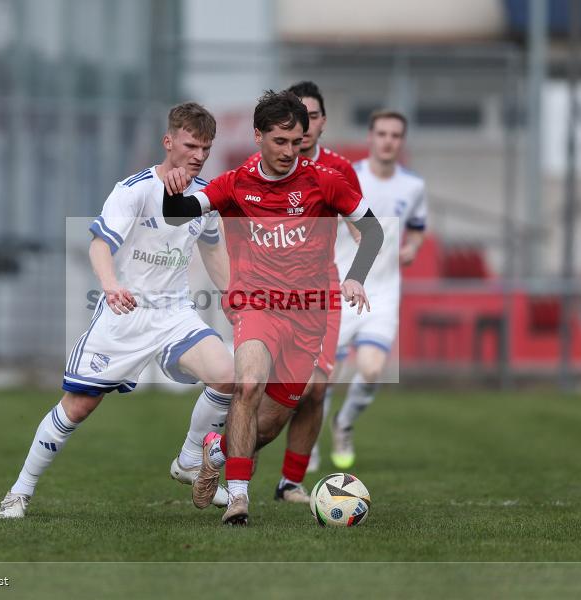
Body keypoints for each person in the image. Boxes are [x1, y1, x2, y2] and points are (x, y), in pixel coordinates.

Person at [0, 102, 234, 518]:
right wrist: (110, 286)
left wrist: (233, 296)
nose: (198, 155)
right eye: (191, 145)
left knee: (227, 376)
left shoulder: (205, 196)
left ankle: (189, 462)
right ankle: (19, 491)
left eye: (206, 148)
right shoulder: (135, 189)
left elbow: (213, 249)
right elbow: (99, 244)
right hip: (124, 315)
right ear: (168, 141)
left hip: (174, 313)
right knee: (77, 408)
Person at [162, 90, 385, 525]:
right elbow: (177, 214)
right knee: (247, 385)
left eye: (297, 141)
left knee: (267, 427)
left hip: (308, 318)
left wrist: (355, 275)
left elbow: (372, 231)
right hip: (257, 305)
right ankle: (240, 499)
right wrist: (174, 188)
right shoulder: (235, 182)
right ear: (258, 136)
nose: (289, 151)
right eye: (279, 141)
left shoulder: (323, 182)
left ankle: (216, 451)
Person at [329, 109, 428, 470]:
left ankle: (343, 424)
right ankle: (305, 452)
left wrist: (413, 247)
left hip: (383, 293)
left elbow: (417, 226)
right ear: (370, 137)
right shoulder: (347, 177)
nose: (388, 141)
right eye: (382, 133)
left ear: (402, 141)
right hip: (342, 287)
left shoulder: (413, 186)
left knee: (371, 370)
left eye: (396, 135)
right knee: (324, 378)